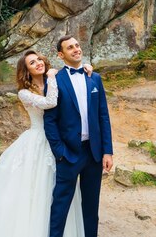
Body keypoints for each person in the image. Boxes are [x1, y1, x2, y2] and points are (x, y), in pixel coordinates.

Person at [0, 50, 92, 237]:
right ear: (26, 71)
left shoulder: (57, 77)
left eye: (39, 59)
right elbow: (50, 103)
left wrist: (86, 68)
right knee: (36, 188)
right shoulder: (24, 93)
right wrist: (52, 77)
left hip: (60, 139)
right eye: (32, 63)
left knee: (61, 189)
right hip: (38, 141)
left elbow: (75, 81)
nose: (38, 63)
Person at [45, 35, 113, 237]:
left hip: (93, 153)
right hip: (68, 153)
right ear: (61, 54)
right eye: (70, 47)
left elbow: (103, 116)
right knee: (60, 205)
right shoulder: (55, 81)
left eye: (77, 45)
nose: (76, 49)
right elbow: (50, 121)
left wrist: (107, 151)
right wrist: (59, 152)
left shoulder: (95, 78)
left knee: (91, 207)